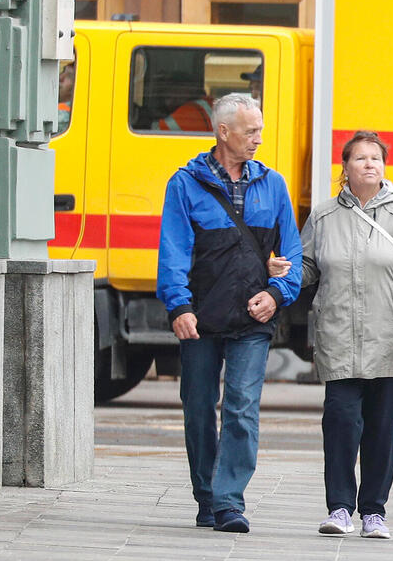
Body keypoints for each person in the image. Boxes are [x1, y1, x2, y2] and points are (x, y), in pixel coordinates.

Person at [156, 92, 302, 533]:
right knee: (198, 408)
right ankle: (207, 495)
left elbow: (293, 251)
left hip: (252, 322)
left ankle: (228, 502)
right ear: (224, 132)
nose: (259, 138)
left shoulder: (273, 184)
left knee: (241, 409)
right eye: (251, 131)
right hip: (199, 319)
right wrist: (178, 305)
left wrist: (277, 293)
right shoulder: (184, 184)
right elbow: (173, 251)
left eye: (259, 129)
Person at [301, 130, 393, 540]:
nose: (368, 164)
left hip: (391, 339)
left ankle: (374, 512)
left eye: (375, 159)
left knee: (381, 428)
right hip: (338, 336)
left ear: (384, 166)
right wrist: (286, 272)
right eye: (359, 158)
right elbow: (309, 266)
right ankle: (340, 507)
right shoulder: (324, 216)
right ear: (345, 167)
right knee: (341, 423)